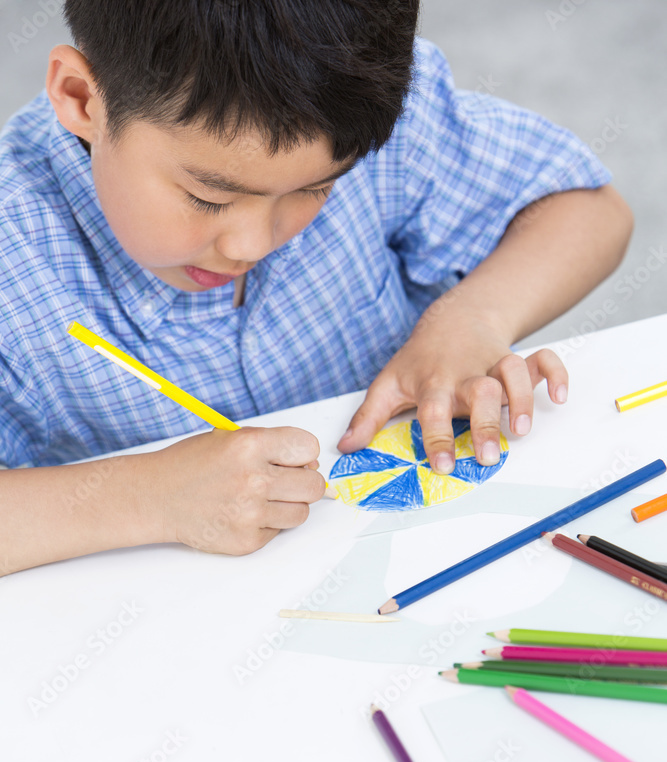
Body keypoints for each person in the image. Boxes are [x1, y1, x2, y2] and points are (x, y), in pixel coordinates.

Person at [0, 0, 633, 575]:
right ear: (81, 97)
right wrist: (149, 497)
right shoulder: (14, 250)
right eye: (207, 195)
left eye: (313, 190)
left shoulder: (357, 106)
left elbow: (592, 212)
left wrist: (474, 318)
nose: (252, 244)